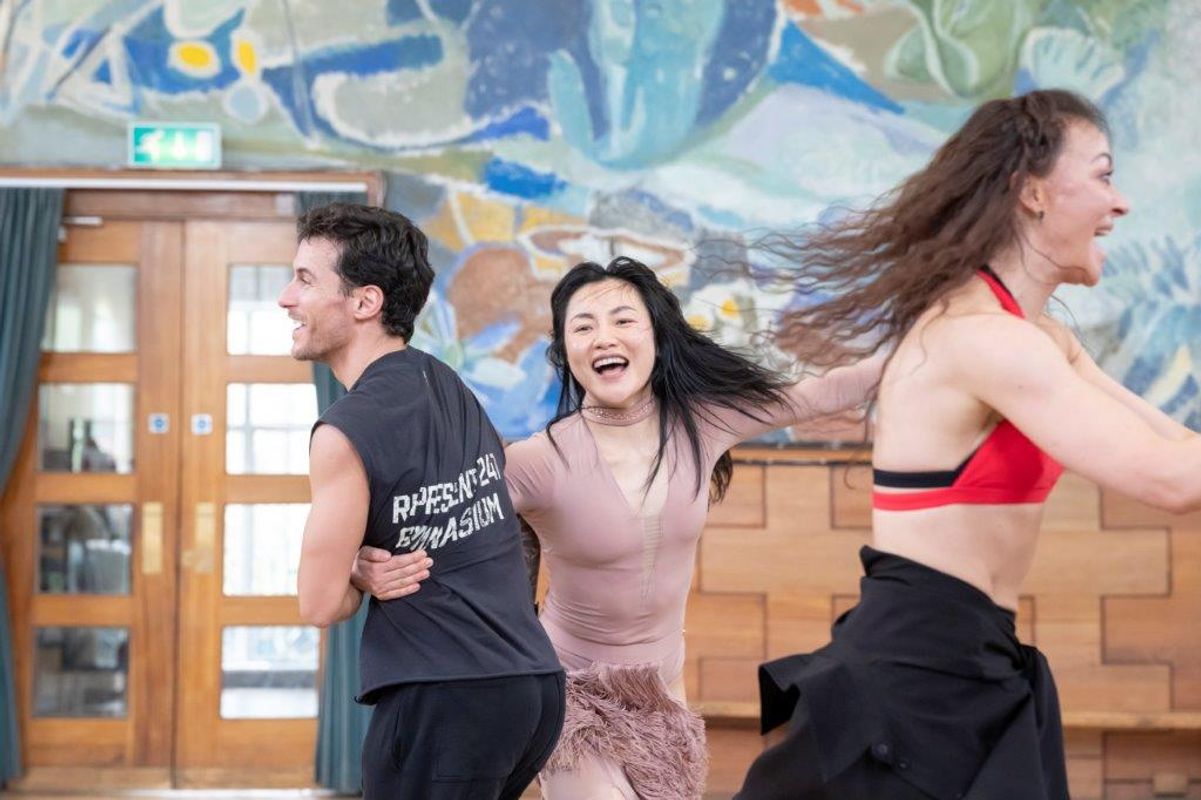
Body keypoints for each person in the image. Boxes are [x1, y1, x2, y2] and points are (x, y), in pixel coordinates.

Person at [732, 89, 1201, 799]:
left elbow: (1179, 451)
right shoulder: (982, 341)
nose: (1120, 202)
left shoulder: (1038, 339)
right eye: (1103, 176)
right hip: (915, 677)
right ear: (1031, 192)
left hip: (973, 666)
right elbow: (1174, 484)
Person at [356, 256, 883, 798]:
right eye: (583, 327)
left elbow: (821, 392)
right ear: (566, 354)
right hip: (571, 693)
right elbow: (432, 516)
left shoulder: (703, 423)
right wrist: (358, 563)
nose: (604, 337)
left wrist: (925, 351)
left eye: (623, 320)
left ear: (656, 335)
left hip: (664, 697)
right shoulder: (542, 460)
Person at [283, 202, 565, 800]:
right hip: (531, 688)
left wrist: (354, 569)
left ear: (365, 301)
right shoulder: (447, 383)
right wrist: (363, 560)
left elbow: (318, 602)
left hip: (449, 698)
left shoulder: (343, 431)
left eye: (306, 279)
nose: (287, 298)